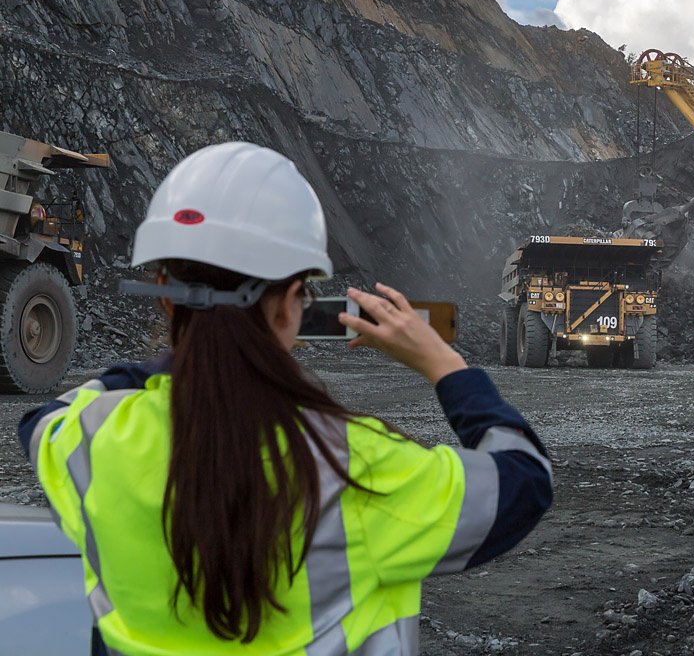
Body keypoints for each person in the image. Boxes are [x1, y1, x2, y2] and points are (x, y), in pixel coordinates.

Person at [17, 142, 552, 655]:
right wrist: (443, 365)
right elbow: (524, 478)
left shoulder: (91, 437)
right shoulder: (350, 463)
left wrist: (186, 350)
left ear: (163, 292)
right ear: (292, 303)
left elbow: (46, 418)